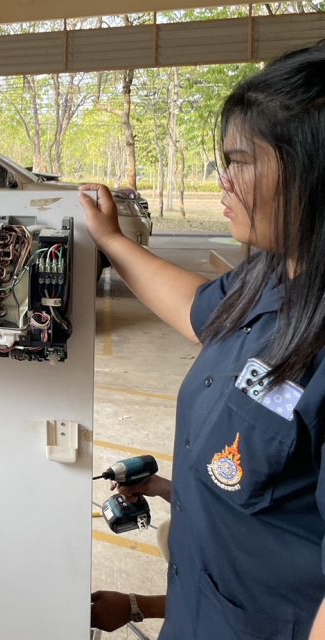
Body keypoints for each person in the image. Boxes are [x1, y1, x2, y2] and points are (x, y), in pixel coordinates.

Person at [79, 41, 325, 639]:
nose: (223, 179)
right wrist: (112, 242)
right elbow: (196, 309)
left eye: (240, 161)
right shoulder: (273, 274)